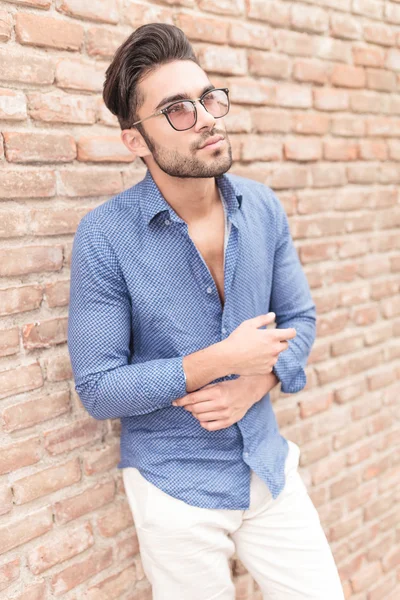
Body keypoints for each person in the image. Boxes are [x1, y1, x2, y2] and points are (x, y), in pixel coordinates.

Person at [67, 23, 345, 600]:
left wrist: (257, 381)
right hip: (175, 486)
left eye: (207, 98)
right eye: (177, 110)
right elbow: (98, 388)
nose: (207, 118)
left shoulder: (262, 206)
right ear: (136, 141)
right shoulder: (105, 236)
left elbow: (301, 318)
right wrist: (220, 359)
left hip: (268, 467)